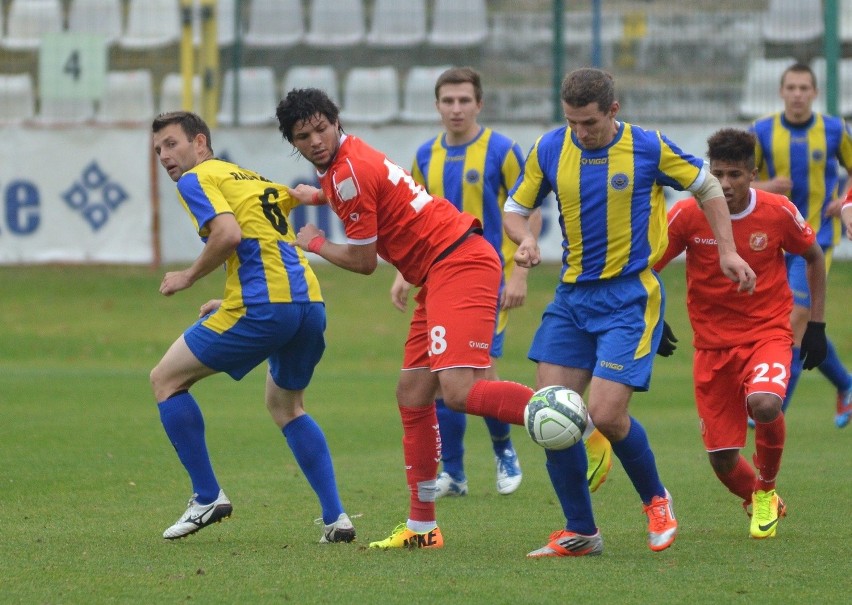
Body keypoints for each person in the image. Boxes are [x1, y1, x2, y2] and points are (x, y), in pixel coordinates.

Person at [502, 67, 757, 557]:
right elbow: (515, 208)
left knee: (605, 414)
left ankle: (657, 500)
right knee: (549, 416)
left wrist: (727, 250)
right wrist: (527, 238)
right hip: (571, 299)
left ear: (613, 111)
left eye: (590, 123)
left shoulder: (647, 146)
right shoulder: (550, 148)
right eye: (572, 122)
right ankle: (581, 531)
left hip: (629, 298)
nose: (581, 132)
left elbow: (705, 188)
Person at [276, 88, 539, 552]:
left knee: (457, 391)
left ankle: (561, 412)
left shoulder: (347, 172)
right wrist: (316, 194)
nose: (315, 140)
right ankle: (423, 527)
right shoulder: (348, 160)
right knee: (413, 393)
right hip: (438, 270)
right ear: (293, 143)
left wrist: (313, 243)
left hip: (459, 262)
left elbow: (363, 261)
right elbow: (360, 190)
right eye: (303, 136)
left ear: (336, 121)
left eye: (321, 128)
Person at [393, 66, 613, 498]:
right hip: (437, 278)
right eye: (448, 101)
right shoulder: (424, 156)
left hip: (482, 277)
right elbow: (416, 221)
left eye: (464, 100)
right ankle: (455, 473)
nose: (456, 109)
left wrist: (519, 272)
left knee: (475, 374)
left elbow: (527, 208)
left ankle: (504, 449)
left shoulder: (502, 150)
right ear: (437, 105)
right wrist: (404, 273)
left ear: (479, 104)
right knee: (440, 375)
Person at [150, 111, 355, 544]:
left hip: (266, 307)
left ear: (200, 143)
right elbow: (270, 239)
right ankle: (337, 519)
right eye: (157, 150)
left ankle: (207, 496)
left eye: (171, 144)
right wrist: (229, 298)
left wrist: (187, 276)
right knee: (287, 407)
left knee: (165, 379)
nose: (165, 156)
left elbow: (228, 235)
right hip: (307, 305)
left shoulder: (196, 180)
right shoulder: (246, 176)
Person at [655, 128, 827, 539]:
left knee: (765, 404)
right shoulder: (687, 214)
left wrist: (817, 325)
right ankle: (757, 496)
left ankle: (766, 489)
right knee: (722, 459)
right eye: (718, 175)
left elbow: (814, 257)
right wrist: (653, 318)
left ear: (753, 173)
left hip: (767, 333)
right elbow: (647, 269)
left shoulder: (778, 211)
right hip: (712, 348)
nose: (726, 184)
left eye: (735, 174)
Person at [750, 62, 852, 428]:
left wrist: (844, 201)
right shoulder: (761, 131)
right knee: (793, 322)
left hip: (817, 240)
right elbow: (734, 178)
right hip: (772, 241)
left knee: (794, 320)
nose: (797, 94)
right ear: (781, 92)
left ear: (815, 92)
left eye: (803, 88)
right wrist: (765, 187)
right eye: (791, 87)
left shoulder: (835, 130)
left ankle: (772, 409)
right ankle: (846, 383)